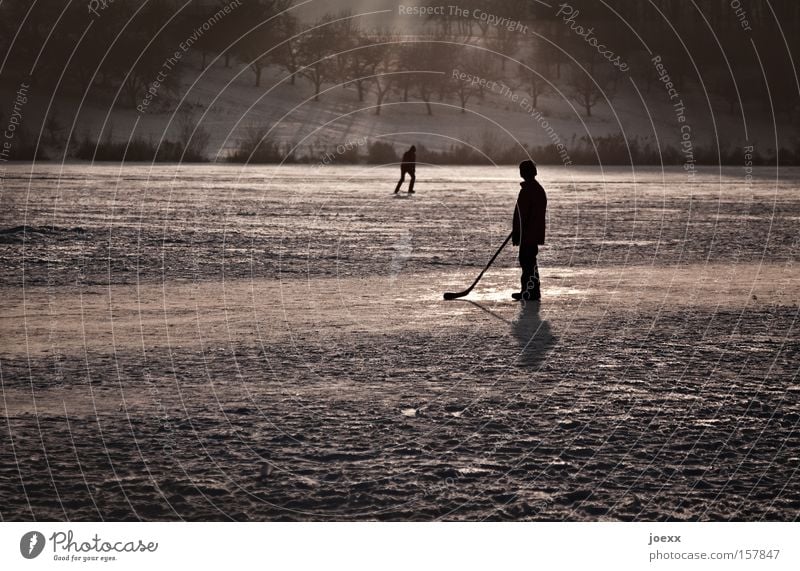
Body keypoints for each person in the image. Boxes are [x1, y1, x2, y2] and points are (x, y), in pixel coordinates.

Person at [511, 160, 547, 301]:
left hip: (528, 234)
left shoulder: (528, 190)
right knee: (529, 262)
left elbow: (523, 215)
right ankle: (530, 290)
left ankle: (530, 292)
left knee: (527, 262)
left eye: (522, 170)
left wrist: (518, 232)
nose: (520, 172)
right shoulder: (536, 189)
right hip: (532, 233)